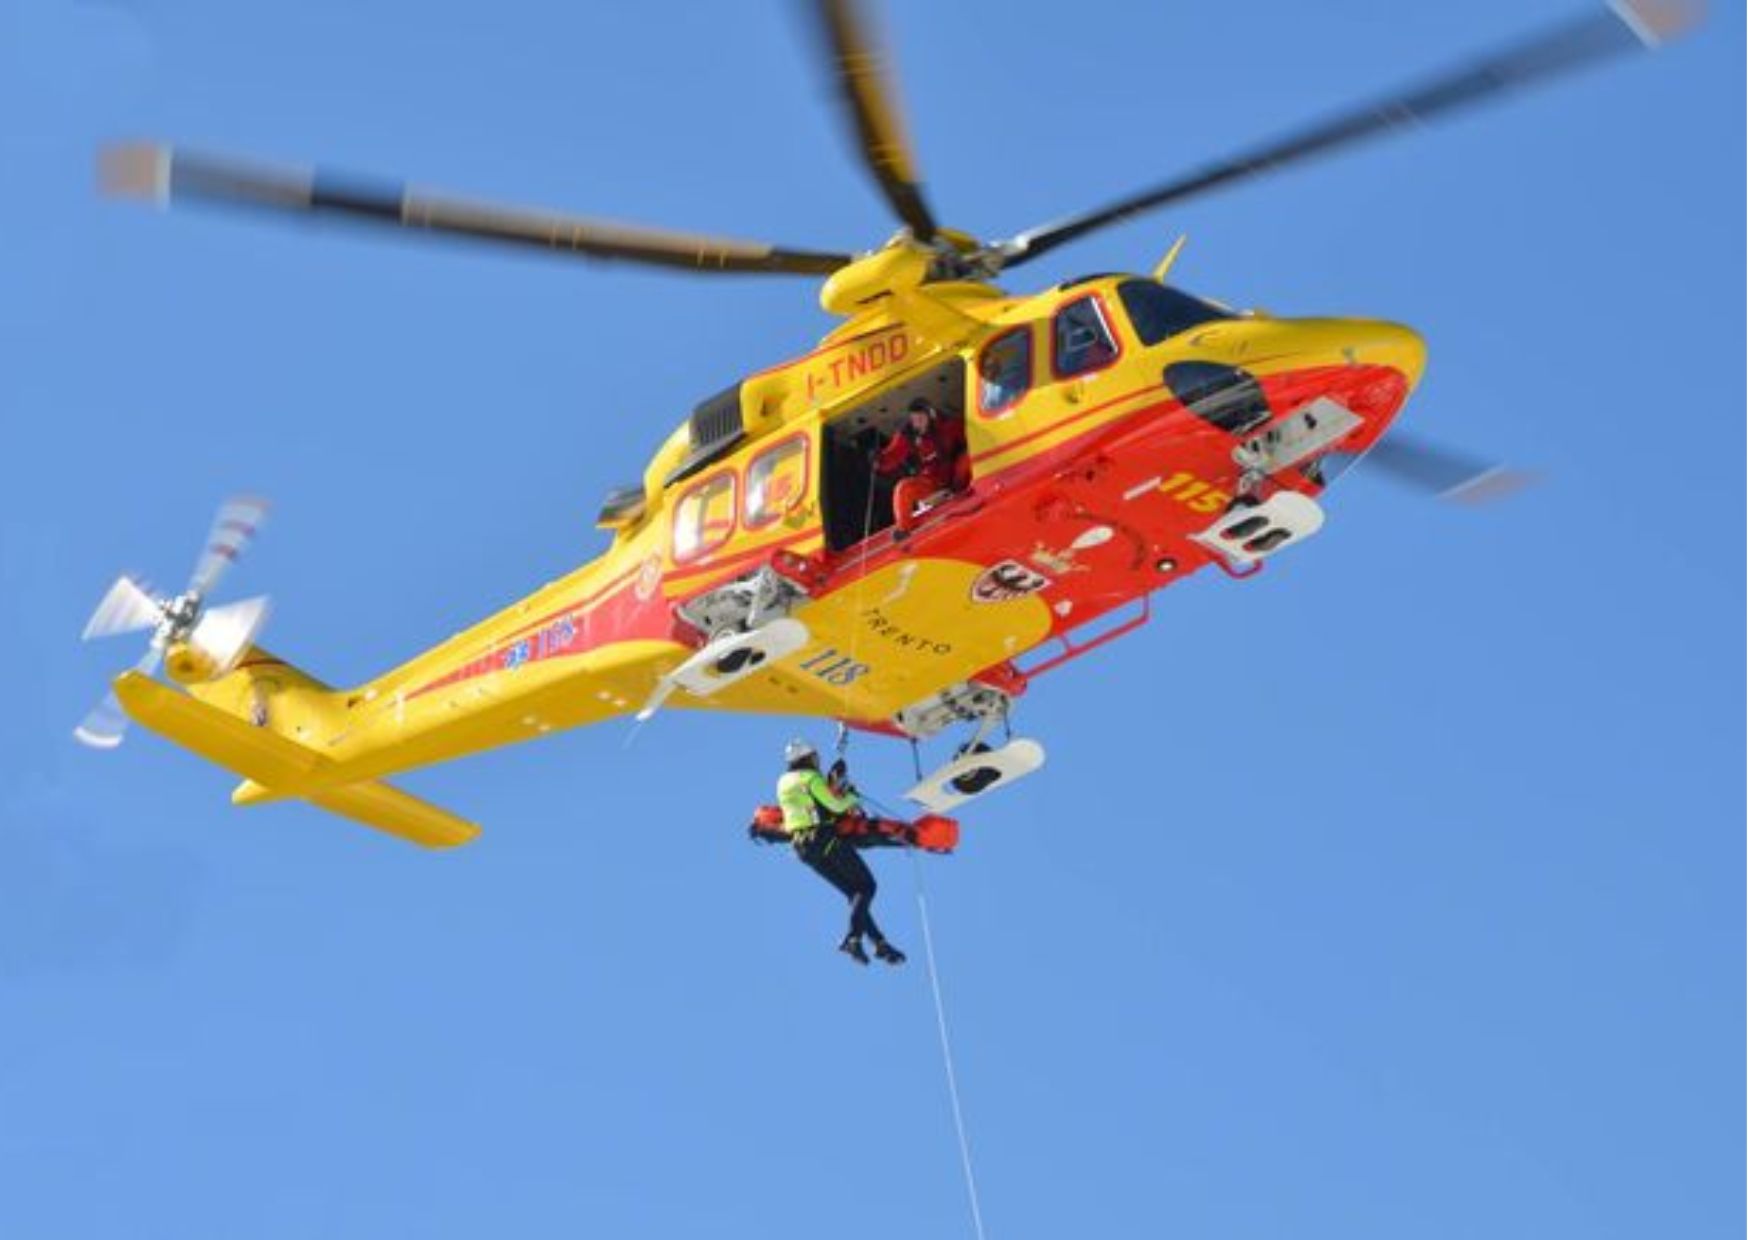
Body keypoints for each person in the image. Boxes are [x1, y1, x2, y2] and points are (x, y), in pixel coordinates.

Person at [777, 738, 906, 966]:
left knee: (854, 894)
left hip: (803, 849)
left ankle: (879, 943)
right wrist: (851, 796)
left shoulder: (783, 782)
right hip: (823, 840)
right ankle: (852, 938)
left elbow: (807, 808)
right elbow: (835, 806)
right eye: (815, 756)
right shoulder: (811, 778)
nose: (818, 760)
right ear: (808, 757)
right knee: (867, 887)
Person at [874, 397, 971, 537]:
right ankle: (903, 528)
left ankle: (972, 490)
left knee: (967, 459)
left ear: (930, 416)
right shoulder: (908, 435)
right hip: (931, 483)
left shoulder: (948, 425)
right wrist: (879, 460)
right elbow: (893, 455)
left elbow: (970, 435)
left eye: (920, 419)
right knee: (904, 488)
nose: (917, 424)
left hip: (955, 477)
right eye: (914, 420)